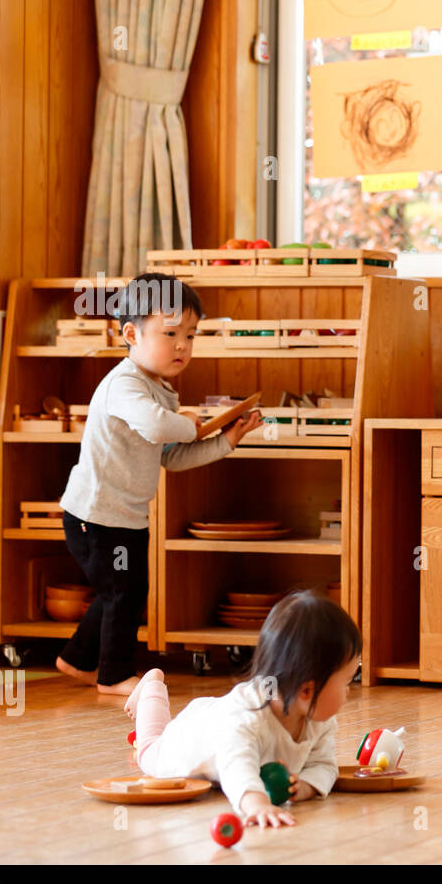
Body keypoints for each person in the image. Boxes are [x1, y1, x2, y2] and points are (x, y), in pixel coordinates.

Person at [56, 273, 262, 696]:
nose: (183, 345)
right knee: (122, 591)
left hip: (125, 517)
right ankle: (113, 675)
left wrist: (226, 440)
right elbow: (158, 426)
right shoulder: (126, 385)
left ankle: (76, 659)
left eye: (191, 334)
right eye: (170, 333)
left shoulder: (160, 391)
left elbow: (170, 456)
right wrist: (189, 423)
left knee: (124, 589)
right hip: (94, 517)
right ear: (131, 334)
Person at [125, 590, 362, 827]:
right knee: (150, 747)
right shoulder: (248, 718)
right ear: (307, 690)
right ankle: (151, 687)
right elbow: (236, 765)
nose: (349, 691)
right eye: (346, 682)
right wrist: (256, 804)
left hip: (217, 714)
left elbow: (324, 764)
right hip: (189, 739)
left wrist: (305, 786)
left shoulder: (317, 717)